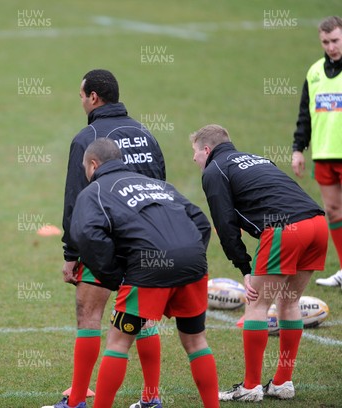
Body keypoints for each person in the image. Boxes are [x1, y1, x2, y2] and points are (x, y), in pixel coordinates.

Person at [45, 69, 166, 408]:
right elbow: (162, 186)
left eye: (81, 95)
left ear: (93, 97)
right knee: (142, 319)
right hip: (146, 241)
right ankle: (151, 398)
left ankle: (78, 400)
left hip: (102, 242)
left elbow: (76, 199)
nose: (81, 101)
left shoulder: (88, 137)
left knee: (89, 315)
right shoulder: (145, 134)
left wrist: (70, 253)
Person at [69, 138, 218, 408]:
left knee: (117, 342)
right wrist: (190, 256)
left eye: (85, 168)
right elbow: (200, 221)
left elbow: (87, 235)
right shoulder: (157, 184)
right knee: (196, 342)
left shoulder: (95, 192)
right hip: (193, 263)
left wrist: (115, 276)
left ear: (93, 164)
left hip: (148, 269)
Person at [191, 124, 327, 401]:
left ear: (207, 150)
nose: (194, 159)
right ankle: (282, 383)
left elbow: (225, 226)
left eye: (195, 152)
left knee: (257, 305)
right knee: (288, 302)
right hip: (317, 224)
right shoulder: (258, 158)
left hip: (285, 228)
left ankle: (251, 386)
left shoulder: (214, 170)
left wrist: (245, 269)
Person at [291, 16, 342, 288]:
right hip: (324, 153)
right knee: (333, 212)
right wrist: (298, 149)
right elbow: (304, 116)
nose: (331, 47)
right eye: (326, 42)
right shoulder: (314, 72)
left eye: (335, 40)